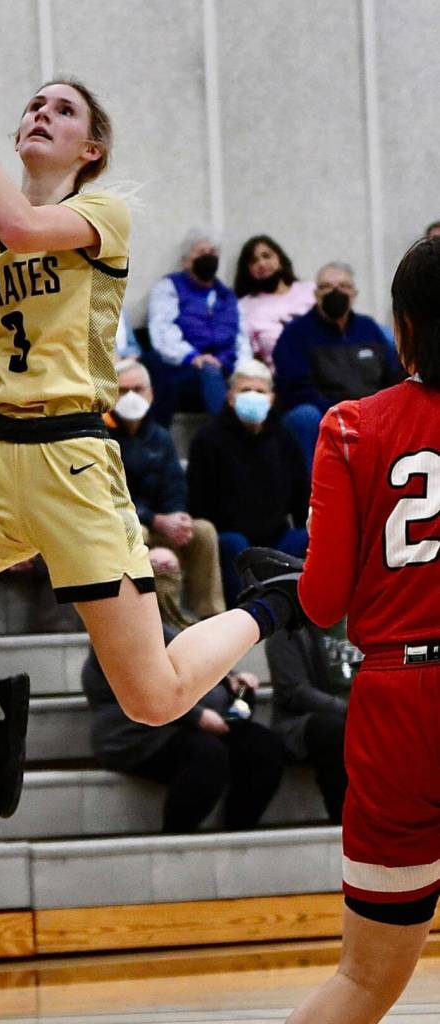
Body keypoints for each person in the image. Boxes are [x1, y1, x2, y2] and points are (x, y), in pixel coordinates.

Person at [0, 71, 306, 824]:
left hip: (73, 462)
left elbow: (27, 229)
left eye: (62, 109)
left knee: (154, 696)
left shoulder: (100, 215)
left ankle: (272, 601)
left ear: (90, 147)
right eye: (34, 104)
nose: (42, 112)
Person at [248, 237, 440, 1024]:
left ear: (400, 331)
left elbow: (323, 604)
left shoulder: (352, 424)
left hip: (396, 701)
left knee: (363, 982)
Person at [82, 628, 284, 833]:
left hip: (191, 719)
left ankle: (238, 835)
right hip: (135, 733)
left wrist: (231, 679)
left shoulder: (163, 625)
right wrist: (197, 716)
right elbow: (144, 689)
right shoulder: (112, 636)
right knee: (207, 754)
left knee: (264, 747)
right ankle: (176, 841)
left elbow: (194, 654)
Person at [107, 358, 225, 627]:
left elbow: (174, 484)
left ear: (150, 393)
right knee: (139, 532)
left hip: (156, 523)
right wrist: (157, 520)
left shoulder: (160, 436)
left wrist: (177, 517)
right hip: (124, 525)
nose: (132, 397)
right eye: (123, 391)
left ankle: (210, 618)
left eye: (138, 389)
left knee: (203, 530)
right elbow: (110, 497)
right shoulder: (100, 437)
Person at [187, 359, 309, 606]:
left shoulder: (284, 437)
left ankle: (296, 611)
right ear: (230, 397)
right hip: (231, 536)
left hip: (276, 536)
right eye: (245, 390)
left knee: (305, 538)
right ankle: (245, 612)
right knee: (234, 544)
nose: (253, 396)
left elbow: (300, 496)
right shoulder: (208, 439)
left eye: (260, 391)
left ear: (271, 398)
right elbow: (198, 501)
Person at [273, 261, 403, 470]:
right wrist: (343, 415)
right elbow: (295, 389)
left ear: (354, 294)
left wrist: (374, 413)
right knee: (304, 416)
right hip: (324, 415)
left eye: (343, 286)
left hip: (372, 414)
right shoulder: (296, 333)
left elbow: (393, 376)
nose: (336, 292)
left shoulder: (369, 329)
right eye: (327, 287)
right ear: (316, 295)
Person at [145, 228, 250, 423]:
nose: (208, 257)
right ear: (186, 262)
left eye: (212, 253)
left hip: (226, 367)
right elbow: (162, 331)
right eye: (202, 253)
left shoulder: (227, 296)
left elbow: (242, 340)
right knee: (210, 371)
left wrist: (241, 371)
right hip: (186, 369)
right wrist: (193, 357)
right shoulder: (170, 287)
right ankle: (225, 435)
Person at [266, 620, 358, 825]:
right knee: (333, 730)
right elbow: (294, 692)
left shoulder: (367, 621)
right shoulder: (288, 630)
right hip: (303, 721)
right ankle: (347, 820)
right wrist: (351, 709)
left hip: (363, 713)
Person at [233, 234, 314, 368]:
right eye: (254, 261)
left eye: (267, 256)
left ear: (280, 260)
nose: (262, 264)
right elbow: (249, 357)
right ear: (248, 271)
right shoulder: (244, 307)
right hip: (281, 379)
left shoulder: (311, 291)